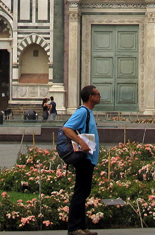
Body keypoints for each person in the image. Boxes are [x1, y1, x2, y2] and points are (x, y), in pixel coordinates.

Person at [62, 85, 100, 235]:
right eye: (97, 94)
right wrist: (81, 142)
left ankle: (82, 226)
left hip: (89, 158)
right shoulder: (82, 112)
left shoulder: (88, 112)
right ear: (91, 97)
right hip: (83, 157)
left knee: (84, 192)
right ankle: (74, 228)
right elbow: (67, 128)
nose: (100, 96)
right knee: (80, 192)